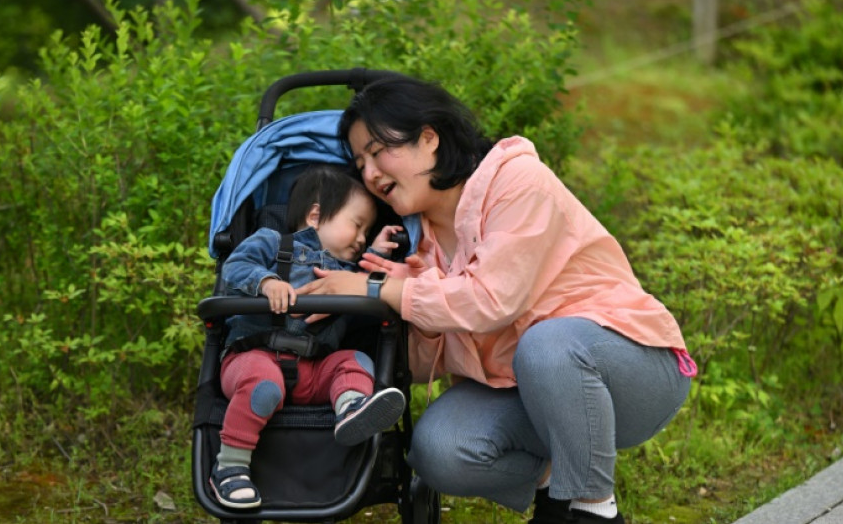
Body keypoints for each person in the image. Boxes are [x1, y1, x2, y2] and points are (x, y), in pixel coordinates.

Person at [295, 77, 697, 523]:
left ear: (429, 138)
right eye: (360, 162)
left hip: (632, 370)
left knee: (547, 345)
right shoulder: (416, 244)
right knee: (439, 450)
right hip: (530, 394)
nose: (369, 173)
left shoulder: (516, 181)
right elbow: (427, 367)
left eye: (377, 151)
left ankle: (591, 507)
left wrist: (380, 290)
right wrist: (410, 309)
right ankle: (552, 489)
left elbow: (491, 301)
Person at [209, 164, 407, 510]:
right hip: (253, 357)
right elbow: (234, 267)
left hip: (312, 370)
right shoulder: (271, 243)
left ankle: (350, 408)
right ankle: (230, 467)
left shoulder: (345, 272)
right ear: (315, 216)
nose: (361, 237)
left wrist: (376, 250)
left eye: (366, 231)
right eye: (357, 225)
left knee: (356, 361)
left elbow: (364, 277)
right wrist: (266, 282)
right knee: (263, 383)